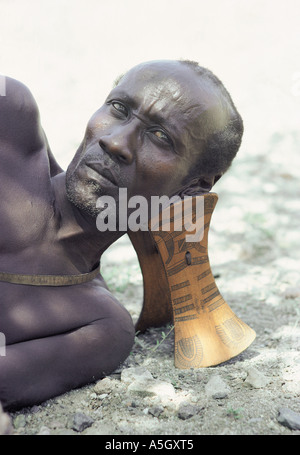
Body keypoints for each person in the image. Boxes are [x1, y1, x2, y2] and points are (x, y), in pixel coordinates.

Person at [0, 60, 243, 411]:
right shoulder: (10, 117)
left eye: (160, 136)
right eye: (119, 109)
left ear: (193, 188)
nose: (115, 142)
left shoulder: (98, 325)